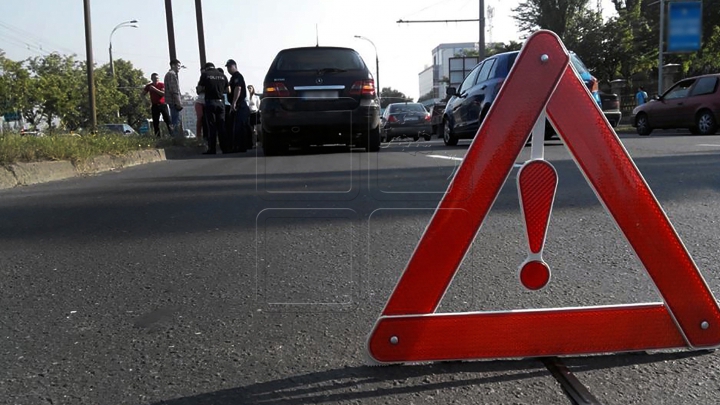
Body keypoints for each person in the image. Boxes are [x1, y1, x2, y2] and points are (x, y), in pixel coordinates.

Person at [196, 62, 229, 155]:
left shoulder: (205, 75)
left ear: (206, 68)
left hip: (210, 102)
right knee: (222, 126)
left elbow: (199, 89)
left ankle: (212, 149)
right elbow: (228, 90)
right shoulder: (222, 75)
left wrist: (206, 89)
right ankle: (225, 148)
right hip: (220, 102)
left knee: (211, 126)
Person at [226, 59, 250, 153]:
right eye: (227, 67)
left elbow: (238, 88)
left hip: (240, 105)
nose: (228, 69)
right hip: (238, 104)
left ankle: (241, 146)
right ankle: (239, 146)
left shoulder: (237, 76)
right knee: (237, 126)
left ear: (234, 66)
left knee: (240, 126)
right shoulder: (232, 77)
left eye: (229, 67)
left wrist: (234, 103)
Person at [142, 73, 171, 137]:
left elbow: (163, 94)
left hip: (163, 105)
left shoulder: (162, 85)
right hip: (154, 105)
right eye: (154, 78)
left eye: (157, 78)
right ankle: (158, 137)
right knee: (155, 122)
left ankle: (172, 135)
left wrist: (155, 89)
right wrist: (146, 101)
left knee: (167, 120)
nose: (156, 80)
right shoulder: (149, 86)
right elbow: (142, 94)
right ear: (152, 79)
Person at [164, 59, 183, 137]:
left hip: (170, 100)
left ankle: (174, 136)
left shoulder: (168, 74)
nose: (179, 68)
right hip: (174, 101)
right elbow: (174, 89)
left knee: (174, 119)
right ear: (173, 65)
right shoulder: (172, 74)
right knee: (176, 120)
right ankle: (176, 137)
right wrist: (178, 101)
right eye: (178, 66)